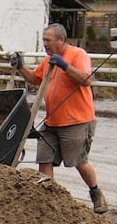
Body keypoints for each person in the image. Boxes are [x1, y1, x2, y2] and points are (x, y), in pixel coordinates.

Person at [12, 23, 108, 214]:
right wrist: (21, 66)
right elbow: (34, 79)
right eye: (44, 40)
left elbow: (86, 79)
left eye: (48, 40)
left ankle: (96, 193)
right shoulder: (49, 59)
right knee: (44, 158)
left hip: (76, 121)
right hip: (52, 121)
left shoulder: (76, 54)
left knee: (78, 160)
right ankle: (47, 200)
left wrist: (64, 65)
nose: (45, 44)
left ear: (61, 40)